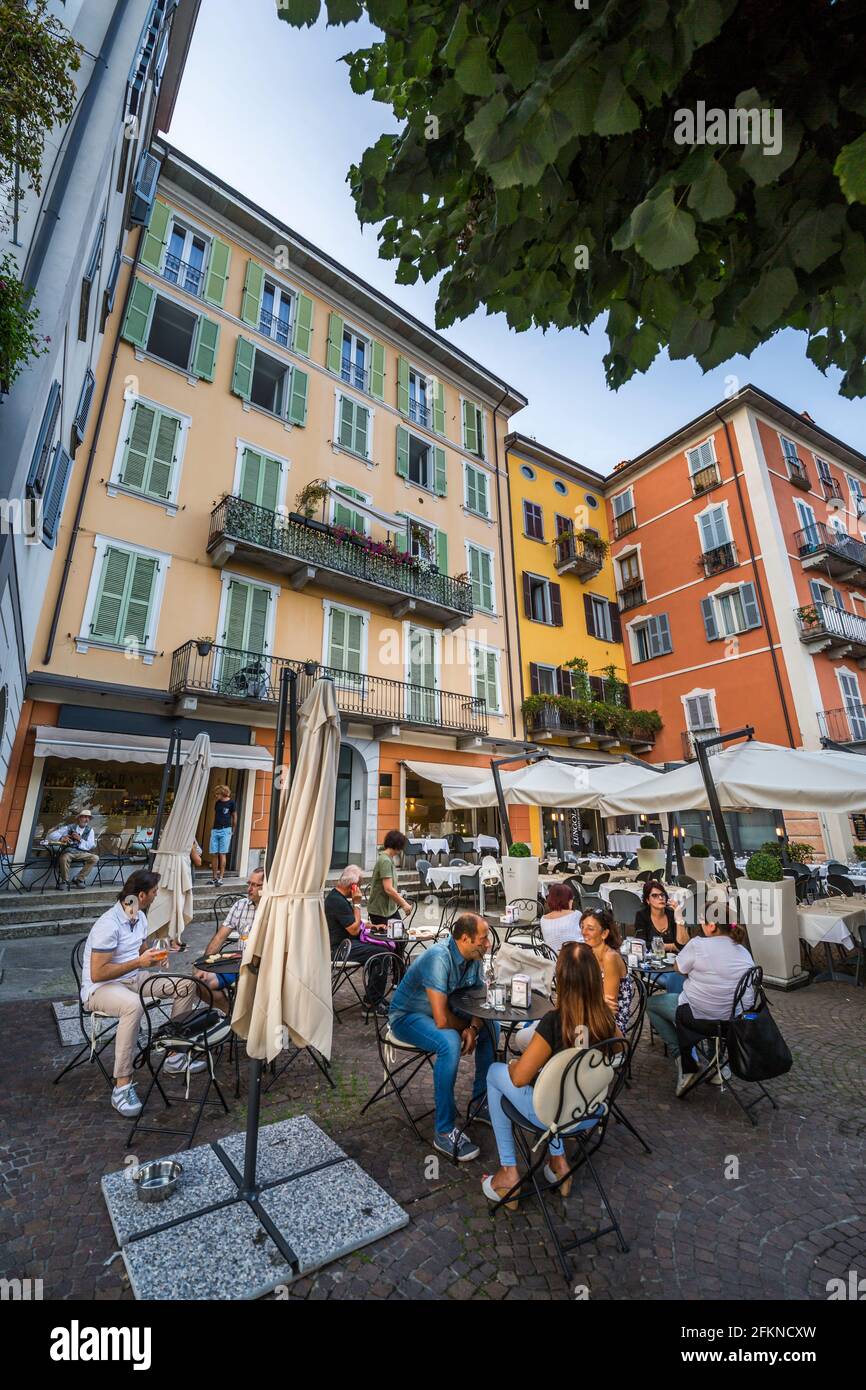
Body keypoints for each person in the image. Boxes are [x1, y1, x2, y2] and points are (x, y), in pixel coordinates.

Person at [482, 942, 619, 1207]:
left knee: (494, 1073)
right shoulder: (606, 1020)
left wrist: (512, 1066)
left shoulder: (555, 1022)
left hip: (551, 1115)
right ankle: (558, 1162)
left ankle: (509, 1172)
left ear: (562, 981)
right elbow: (617, 1054)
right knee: (558, 1085)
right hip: (589, 1113)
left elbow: (519, 1078)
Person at [81, 869, 206, 1118]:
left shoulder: (139, 917)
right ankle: (122, 1086)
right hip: (102, 989)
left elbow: (141, 950)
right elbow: (98, 973)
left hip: (134, 979)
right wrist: (140, 963)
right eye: (154, 892)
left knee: (186, 985)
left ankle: (174, 1055)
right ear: (141, 895)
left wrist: (159, 956)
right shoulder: (108, 924)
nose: (156, 896)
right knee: (133, 1006)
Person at [389, 913, 497, 1161]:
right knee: (448, 1041)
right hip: (407, 1016)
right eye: (484, 938)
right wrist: (464, 1028)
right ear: (466, 938)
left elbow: (481, 1003)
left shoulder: (474, 956)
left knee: (493, 1024)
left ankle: (480, 1104)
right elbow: (442, 1020)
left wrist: (474, 1028)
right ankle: (444, 1131)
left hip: (442, 1010)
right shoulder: (439, 957)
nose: (488, 943)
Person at [646, 919, 756, 1097]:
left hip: (699, 1018)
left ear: (712, 925)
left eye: (703, 921)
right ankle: (718, 1064)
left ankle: (684, 1060)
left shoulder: (698, 945)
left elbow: (678, 968)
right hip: (735, 1022)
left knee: (651, 1004)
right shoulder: (744, 951)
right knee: (713, 999)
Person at [194, 868, 264, 1012]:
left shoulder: (274, 911)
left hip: (261, 971)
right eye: (249, 883)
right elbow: (220, 937)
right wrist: (204, 965)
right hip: (237, 966)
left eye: (256, 885)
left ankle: (246, 1018)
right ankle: (230, 1013)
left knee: (246, 989)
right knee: (199, 982)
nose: (249, 889)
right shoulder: (241, 905)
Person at [324, 865, 390, 1013]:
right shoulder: (337, 901)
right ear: (354, 886)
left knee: (383, 950)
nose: (360, 888)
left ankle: (375, 997)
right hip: (340, 949)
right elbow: (353, 929)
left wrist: (372, 926)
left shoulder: (337, 897)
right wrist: (357, 903)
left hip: (347, 944)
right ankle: (371, 1003)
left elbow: (352, 922)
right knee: (382, 954)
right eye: (359, 885)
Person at [580, 907, 634, 1034]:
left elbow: (610, 1008)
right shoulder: (589, 952)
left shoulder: (610, 957)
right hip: (592, 1015)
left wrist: (582, 999)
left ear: (604, 934)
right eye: (582, 927)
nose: (584, 932)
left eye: (590, 928)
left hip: (608, 1027)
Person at [634, 880, 690, 993]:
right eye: (654, 895)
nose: (660, 898)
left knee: (682, 978)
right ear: (647, 900)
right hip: (653, 965)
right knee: (678, 980)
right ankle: (676, 1007)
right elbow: (642, 944)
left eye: (662, 895)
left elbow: (683, 945)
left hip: (675, 964)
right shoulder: (642, 916)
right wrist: (671, 946)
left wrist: (679, 917)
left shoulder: (672, 914)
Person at [367, 829, 412, 924]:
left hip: (389, 909)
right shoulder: (385, 861)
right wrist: (403, 904)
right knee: (395, 936)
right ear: (398, 846)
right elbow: (388, 888)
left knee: (398, 934)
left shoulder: (387, 858)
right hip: (381, 911)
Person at [46, 809, 99, 887]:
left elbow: (90, 845)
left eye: (88, 818)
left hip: (82, 853)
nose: (86, 819)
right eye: (84, 817)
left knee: (95, 858)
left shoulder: (90, 830)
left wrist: (80, 839)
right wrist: (62, 838)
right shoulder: (70, 827)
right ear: (79, 818)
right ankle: (64, 881)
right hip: (69, 852)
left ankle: (79, 879)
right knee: (64, 858)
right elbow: (52, 835)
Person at [540, 882, 584, 954]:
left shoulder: (543, 919)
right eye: (571, 898)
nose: (572, 900)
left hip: (552, 958)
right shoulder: (576, 914)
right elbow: (582, 938)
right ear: (567, 899)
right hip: (574, 958)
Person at [209, 784, 236, 886]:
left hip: (226, 830)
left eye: (217, 794)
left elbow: (234, 816)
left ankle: (221, 878)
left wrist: (233, 830)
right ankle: (214, 877)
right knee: (214, 853)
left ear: (223, 793)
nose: (216, 796)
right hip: (215, 829)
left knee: (222, 853)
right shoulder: (217, 803)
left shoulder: (231, 803)